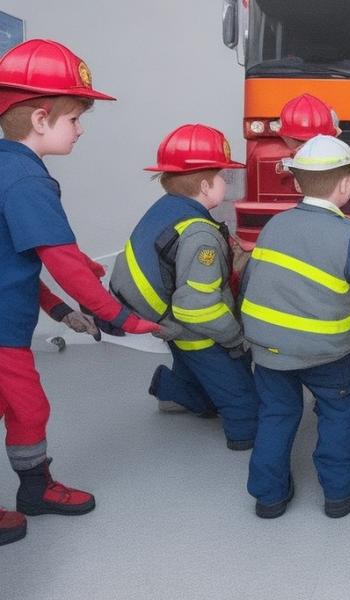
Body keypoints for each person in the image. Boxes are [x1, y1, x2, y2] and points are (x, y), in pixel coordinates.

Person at [0, 39, 159, 545]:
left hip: (9, 323)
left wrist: (58, 308)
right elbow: (62, 261)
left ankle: (33, 489)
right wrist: (122, 320)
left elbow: (16, 260)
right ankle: (36, 489)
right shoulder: (26, 179)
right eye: (75, 117)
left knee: (26, 407)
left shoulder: (8, 168)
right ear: (41, 119)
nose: (81, 128)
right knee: (26, 406)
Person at [240, 135, 350, 519]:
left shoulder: (274, 226)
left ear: (297, 183)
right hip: (324, 353)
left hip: (267, 349)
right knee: (335, 412)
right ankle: (340, 491)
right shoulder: (348, 236)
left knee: (276, 415)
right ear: (346, 185)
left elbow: (253, 280)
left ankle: (268, 497)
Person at [109, 124, 259, 450]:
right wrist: (236, 339)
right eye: (223, 176)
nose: (227, 182)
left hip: (163, 318)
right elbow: (197, 307)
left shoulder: (167, 208)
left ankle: (174, 389)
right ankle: (244, 437)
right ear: (206, 186)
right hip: (191, 328)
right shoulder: (200, 233)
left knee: (199, 370)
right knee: (246, 403)